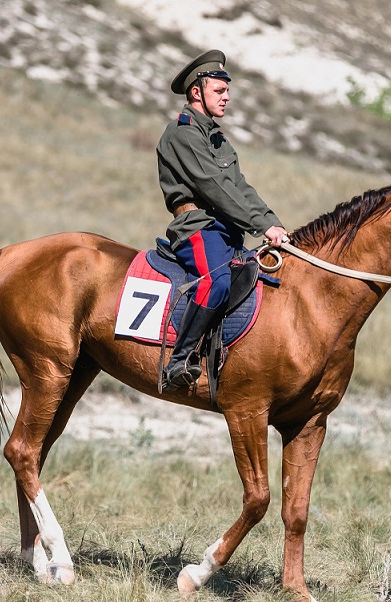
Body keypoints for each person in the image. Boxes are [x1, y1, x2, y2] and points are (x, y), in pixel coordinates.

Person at [156, 49, 288, 391]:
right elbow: (214, 188)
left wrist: (274, 224)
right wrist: (260, 226)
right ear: (196, 92)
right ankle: (179, 360)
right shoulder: (182, 133)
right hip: (198, 230)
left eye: (227, 90)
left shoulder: (217, 138)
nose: (227, 97)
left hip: (226, 230)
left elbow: (240, 187)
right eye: (219, 90)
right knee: (216, 282)